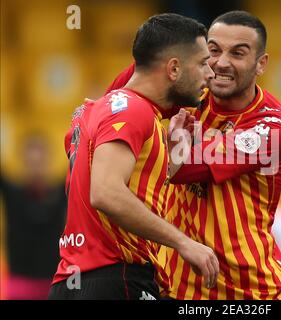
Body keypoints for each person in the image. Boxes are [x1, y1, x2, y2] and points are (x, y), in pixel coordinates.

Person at [105, 10, 281, 300]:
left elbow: (183, 169)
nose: (221, 63)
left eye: (238, 53)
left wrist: (162, 147)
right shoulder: (190, 89)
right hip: (173, 284)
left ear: (261, 64)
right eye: (213, 50)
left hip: (245, 292)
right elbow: (111, 112)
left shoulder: (272, 128)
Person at [48, 13, 219, 300]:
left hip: (73, 281)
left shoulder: (95, 111)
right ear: (174, 68)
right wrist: (183, 242)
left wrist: (174, 152)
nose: (210, 74)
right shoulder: (134, 110)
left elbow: (121, 181)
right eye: (202, 63)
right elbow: (105, 193)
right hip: (115, 278)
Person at [0, 135, 66, 299]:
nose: (36, 168)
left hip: (53, 284)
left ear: (48, 161)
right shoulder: (13, 193)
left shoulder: (60, 193)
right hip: (20, 284)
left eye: (40, 162)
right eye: (32, 162)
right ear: (24, 162)